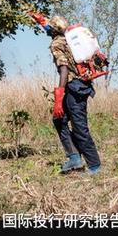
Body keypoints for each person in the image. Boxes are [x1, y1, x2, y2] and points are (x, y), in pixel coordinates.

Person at [29, 12, 101, 175]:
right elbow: (51, 28)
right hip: (81, 84)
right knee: (59, 120)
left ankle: (95, 166)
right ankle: (74, 157)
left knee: (79, 127)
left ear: (54, 31)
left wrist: (58, 98)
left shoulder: (56, 43)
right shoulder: (68, 38)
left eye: (49, 29)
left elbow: (63, 70)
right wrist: (40, 21)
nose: (47, 30)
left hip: (74, 87)